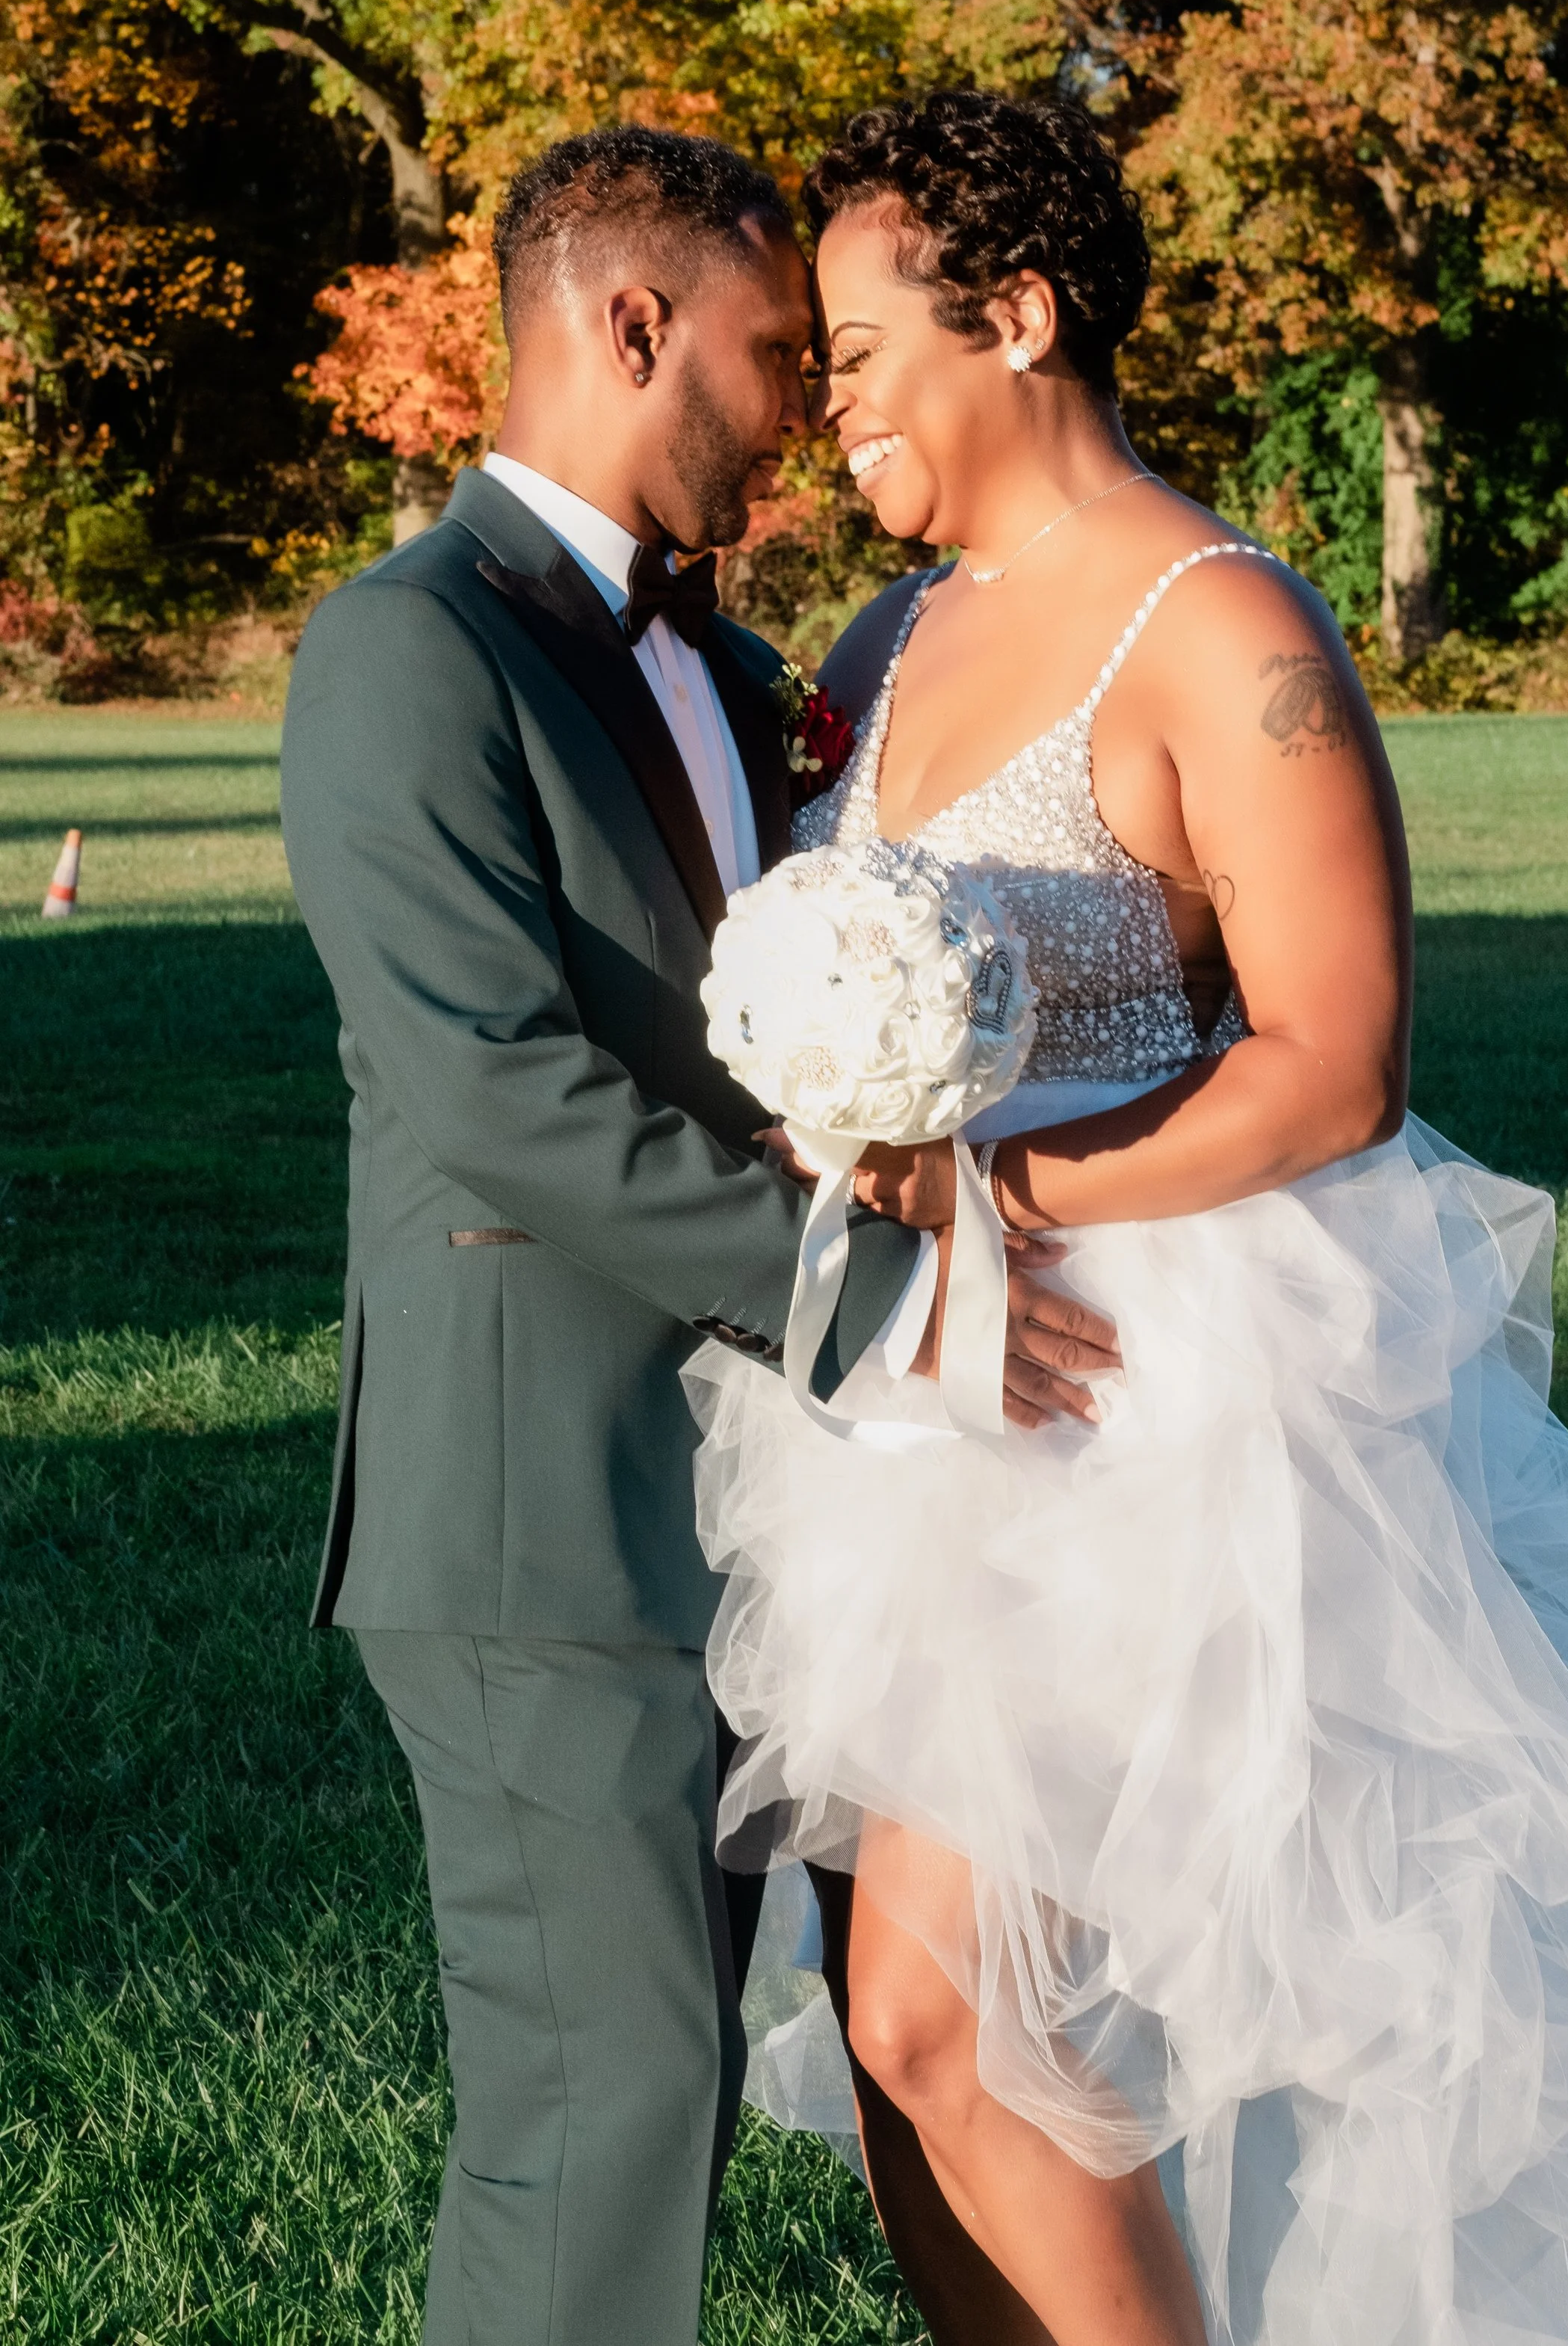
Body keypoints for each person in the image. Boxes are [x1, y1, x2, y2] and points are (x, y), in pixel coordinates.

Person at [688, 90, 1568, 2345]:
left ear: (1014, 317)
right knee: (906, 2035)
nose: (815, 393)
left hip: (1159, 1386)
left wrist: (1003, 1196)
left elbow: (1336, 1057)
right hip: (913, 1388)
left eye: (850, 344)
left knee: (1014, 2022)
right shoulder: (893, 633)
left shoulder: (1221, 628)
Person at [280, 123, 1113, 2346]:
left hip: (784, 1514)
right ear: (629, 326)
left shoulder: (736, 663)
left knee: (933, 2039)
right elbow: (491, 1089)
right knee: (605, 2106)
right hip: (543, 1510)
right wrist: (892, 1305)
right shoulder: (405, 651)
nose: (811, 413)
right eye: (770, 352)